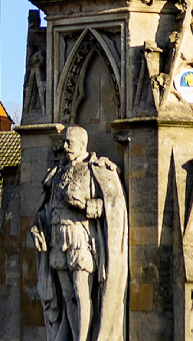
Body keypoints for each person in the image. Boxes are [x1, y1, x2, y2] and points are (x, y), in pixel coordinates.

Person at [32, 126, 127, 341]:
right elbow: (48, 208)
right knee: (67, 296)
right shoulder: (57, 172)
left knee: (81, 291)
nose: (64, 146)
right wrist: (38, 225)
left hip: (81, 239)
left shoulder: (96, 170)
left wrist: (84, 206)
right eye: (64, 142)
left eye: (69, 142)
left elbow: (112, 207)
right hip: (58, 239)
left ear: (82, 145)